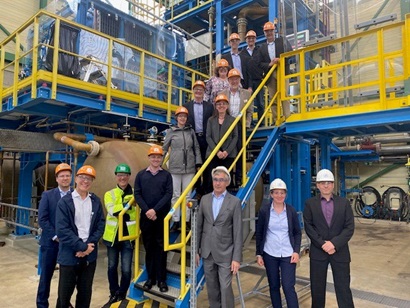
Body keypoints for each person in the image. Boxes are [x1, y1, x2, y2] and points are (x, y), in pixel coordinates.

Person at [303, 169, 355, 308]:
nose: (326, 185)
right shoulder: (310, 204)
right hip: (318, 253)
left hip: (340, 252)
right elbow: (309, 227)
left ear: (333, 185)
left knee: (343, 288)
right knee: (317, 289)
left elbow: (349, 227)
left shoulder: (344, 203)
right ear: (317, 185)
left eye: (329, 183)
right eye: (322, 183)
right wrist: (322, 244)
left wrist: (334, 244)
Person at [55, 165, 105, 308]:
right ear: (76, 179)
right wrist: (82, 247)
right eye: (82, 177)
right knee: (64, 296)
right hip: (69, 255)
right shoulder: (65, 202)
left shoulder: (95, 201)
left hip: (89, 255)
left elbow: (100, 225)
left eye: (89, 179)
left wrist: (89, 246)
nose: (85, 181)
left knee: (85, 294)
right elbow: (62, 230)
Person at [196, 166, 243, 308]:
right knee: (212, 287)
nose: (218, 183)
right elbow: (198, 226)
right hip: (207, 251)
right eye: (215, 180)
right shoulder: (204, 200)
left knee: (225, 287)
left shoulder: (234, 202)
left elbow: (238, 231)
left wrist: (236, 258)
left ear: (227, 182)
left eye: (221, 180)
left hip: (226, 253)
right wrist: (197, 251)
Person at [255, 178, 301, 308]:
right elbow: (259, 233)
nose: (279, 196)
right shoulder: (265, 211)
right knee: (274, 286)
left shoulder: (291, 211)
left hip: (288, 254)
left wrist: (296, 251)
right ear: (271, 194)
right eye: (276, 192)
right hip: (270, 254)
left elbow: (297, 232)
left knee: (288, 286)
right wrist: (259, 253)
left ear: (286, 194)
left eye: (282, 193)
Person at [134, 145, 172, 293]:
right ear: (149, 158)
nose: (156, 159)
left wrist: (154, 210)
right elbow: (137, 194)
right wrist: (147, 210)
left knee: (162, 249)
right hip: (146, 217)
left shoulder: (166, 176)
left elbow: (168, 194)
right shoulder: (141, 175)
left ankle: (162, 280)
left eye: (158, 157)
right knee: (149, 248)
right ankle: (151, 279)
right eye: (153, 156)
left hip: (161, 217)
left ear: (161, 158)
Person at [36, 163, 72, 308]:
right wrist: (56, 236)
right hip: (50, 243)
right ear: (56, 179)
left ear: (71, 178)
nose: (65, 178)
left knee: (67, 278)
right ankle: (42, 304)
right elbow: (42, 219)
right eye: (62, 176)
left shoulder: (76, 195)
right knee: (46, 276)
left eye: (67, 175)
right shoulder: (48, 195)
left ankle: (63, 304)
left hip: (68, 245)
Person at [102, 163, 136, 307]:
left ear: (129, 177)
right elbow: (111, 211)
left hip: (128, 237)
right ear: (116, 177)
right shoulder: (109, 194)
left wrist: (125, 206)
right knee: (111, 267)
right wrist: (126, 204)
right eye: (120, 175)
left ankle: (121, 294)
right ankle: (113, 292)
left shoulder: (135, 193)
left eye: (125, 175)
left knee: (127, 269)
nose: (122, 178)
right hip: (112, 237)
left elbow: (136, 212)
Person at [163, 106, 202, 228]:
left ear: (186, 118)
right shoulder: (171, 131)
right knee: (175, 195)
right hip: (175, 167)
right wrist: (158, 163)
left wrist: (198, 163)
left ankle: (186, 219)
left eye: (184, 117)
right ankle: (175, 219)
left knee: (187, 195)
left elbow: (196, 147)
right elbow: (164, 148)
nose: (182, 118)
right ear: (177, 118)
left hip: (189, 168)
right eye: (180, 116)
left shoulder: (190, 131)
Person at [219, 68, 252, 186]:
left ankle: (238, 177)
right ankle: (225, 178)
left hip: (239, 124)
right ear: (228, 80)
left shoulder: (246, 93)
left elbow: (249, 111)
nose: (234, 81)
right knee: (226, 150)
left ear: (239, 80)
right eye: (232, 79)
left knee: (240, 151)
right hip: (226, 124)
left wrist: (246, 125)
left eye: (236, 79)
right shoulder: (221, 94)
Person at [184, 80, 214, 196]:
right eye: (196, 89)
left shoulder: (210, 107)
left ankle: (207, 190)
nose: (198, 91)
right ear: (193, 91)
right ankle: (195, 189)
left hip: (206, 139)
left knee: (207, 164)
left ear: (204, 91)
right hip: (192, 138)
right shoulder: (186, 107)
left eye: (200, 89)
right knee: (193, 164)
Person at [257, 21, 291, 123]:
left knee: (284, 95)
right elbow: (259, 63)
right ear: (264, 33)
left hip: (283, 72)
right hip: (270, 74)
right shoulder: (262, 48)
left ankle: (287, 118)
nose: (269, 33)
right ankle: (276, 119)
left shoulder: (282, 41)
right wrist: (269, 64)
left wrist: (280, 60)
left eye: (270, 31)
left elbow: (290, 53)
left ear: (274, 31)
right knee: (273, 98)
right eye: (267, 31)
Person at [205, 93, 238, 193]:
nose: (221, 106)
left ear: (227, 106)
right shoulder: (211, 120)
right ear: (215, 106)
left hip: (228, 154)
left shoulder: (232, 120)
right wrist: (217, 151)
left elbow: (235, 137)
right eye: (219, 104)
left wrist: (226, 151)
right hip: (213, 153)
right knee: (211, 179)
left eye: (223, 104)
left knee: (225, 180)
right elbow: (208, 137)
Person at [241, 30, 265, 122]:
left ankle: (261, 122)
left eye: (252, 38)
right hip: (247, 82)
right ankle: (248, 123)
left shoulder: (259, 51)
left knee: (260, 103)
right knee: (248, 104)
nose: (251, 40)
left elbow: (263, 63)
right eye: (249, 38)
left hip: (259, 80)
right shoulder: (242, 53)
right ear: (246, 40)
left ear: (255, 39)